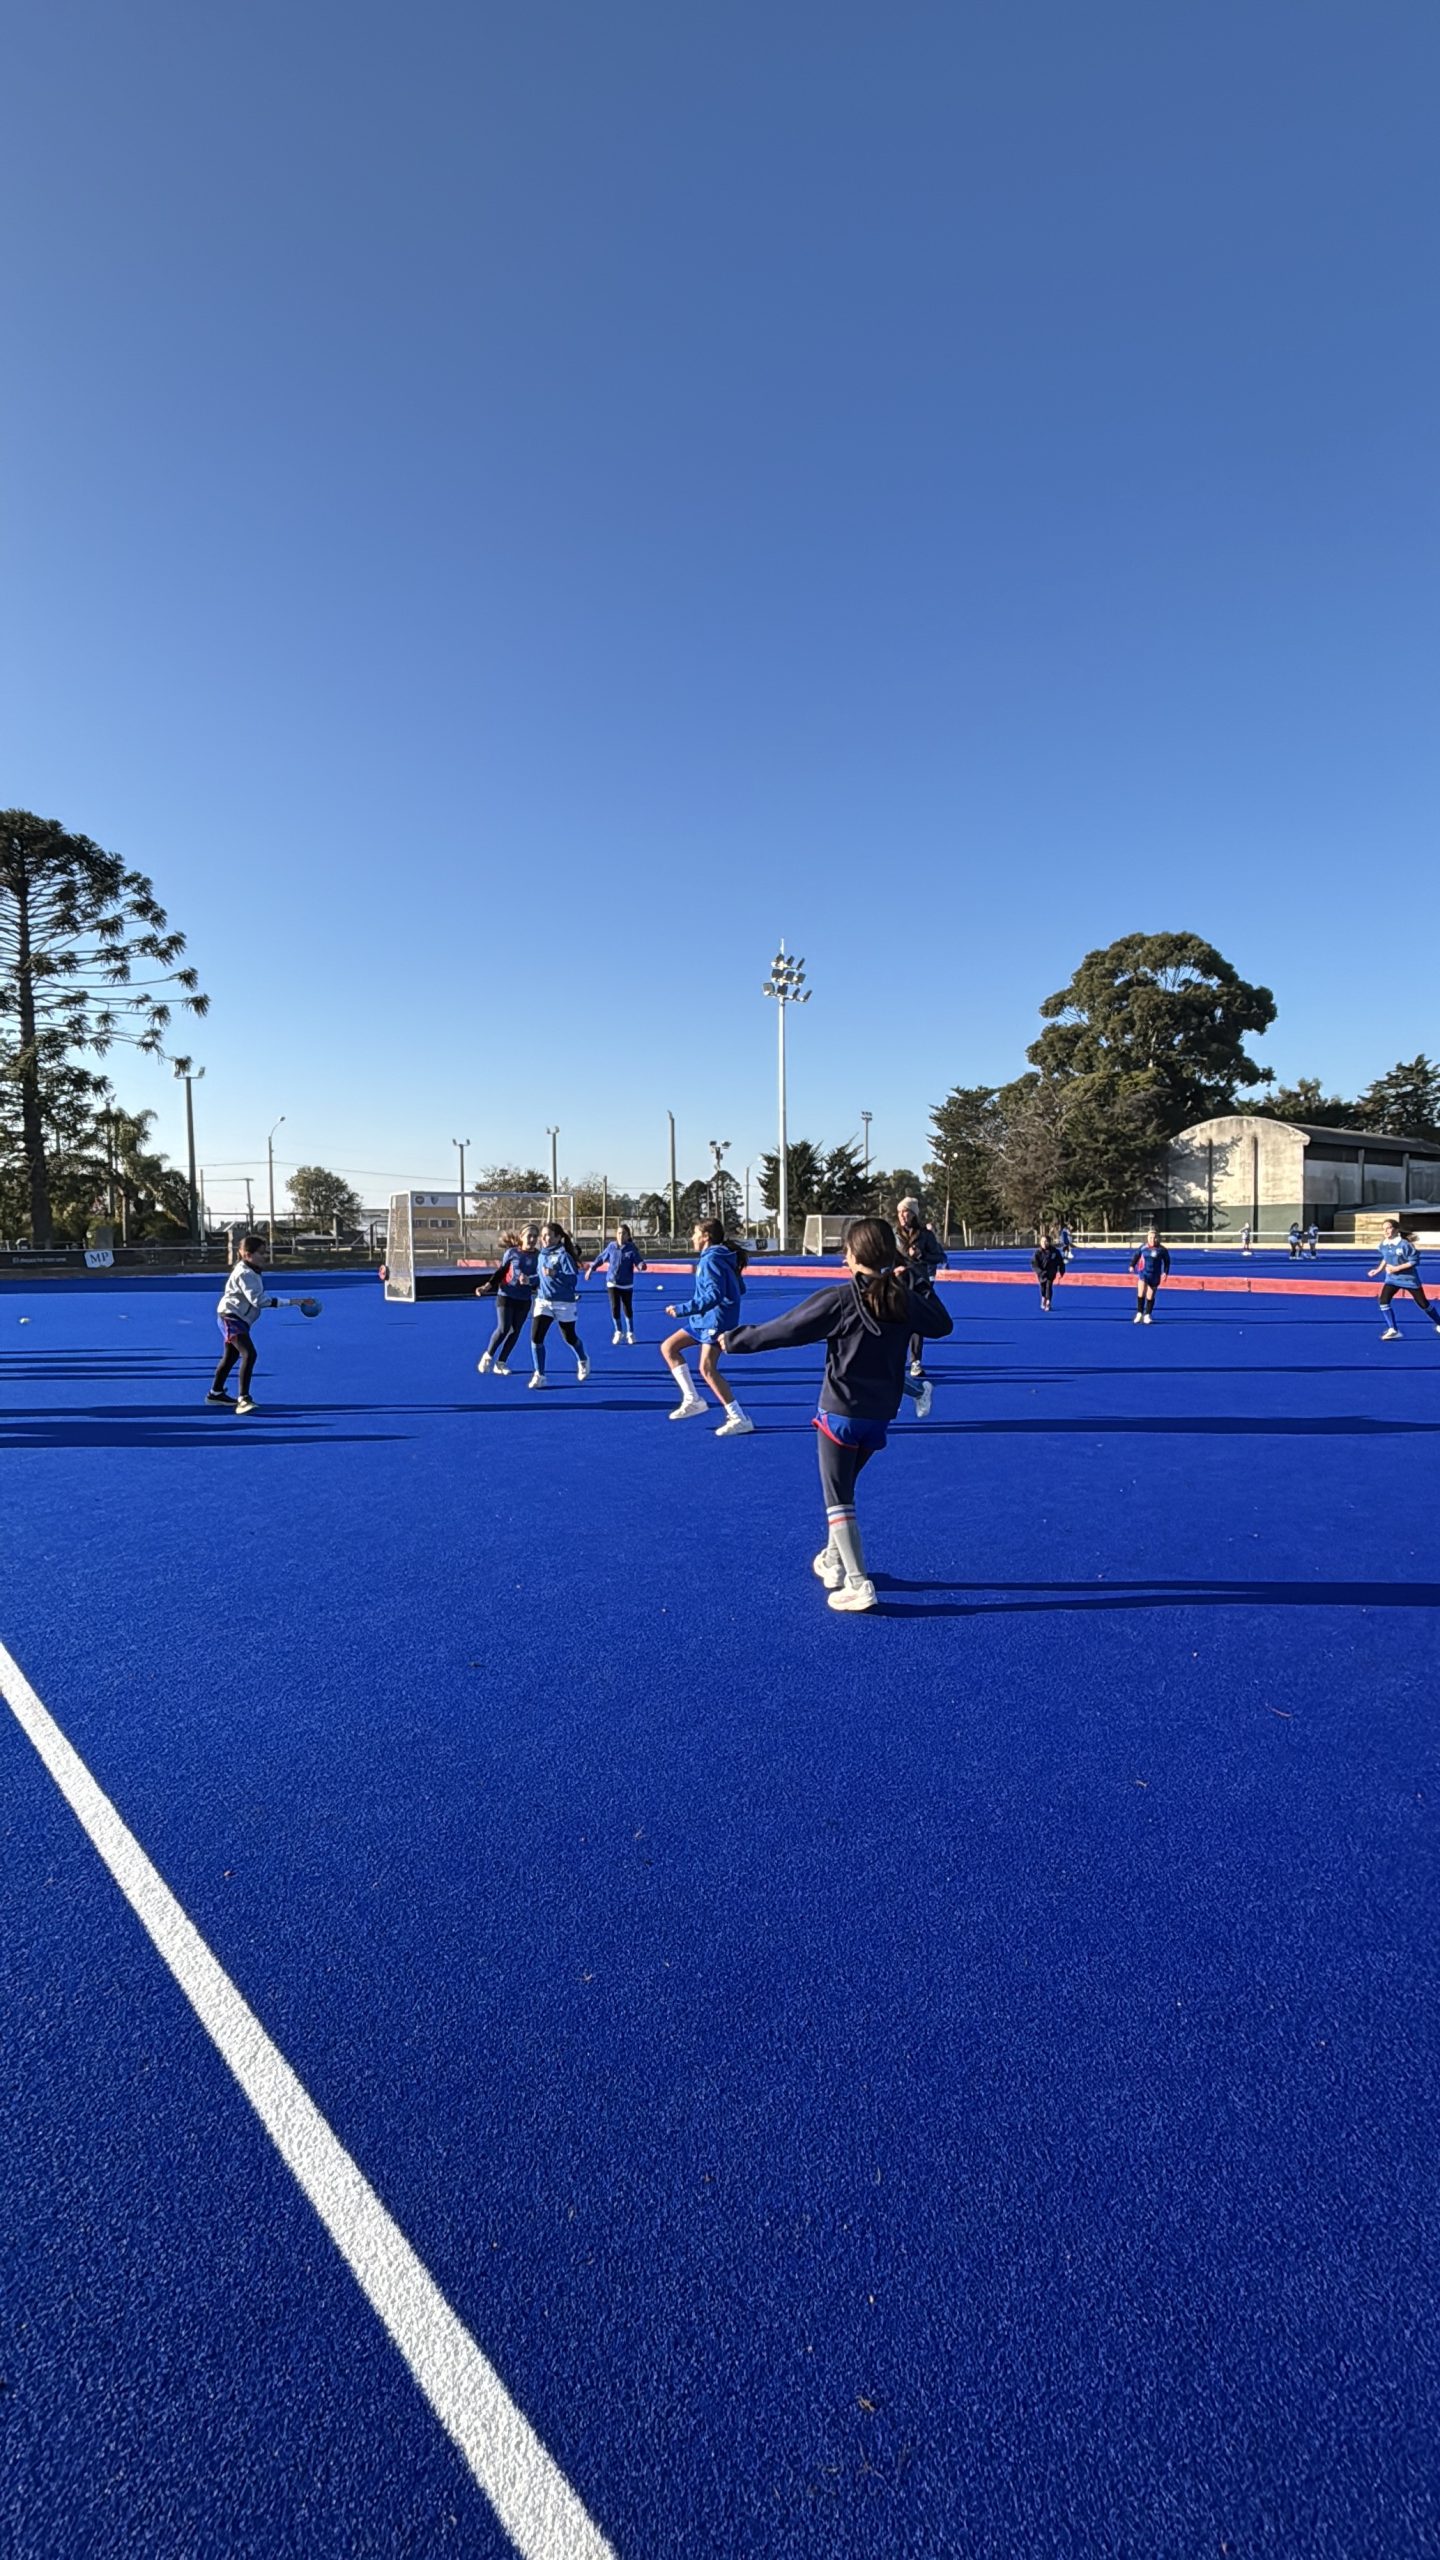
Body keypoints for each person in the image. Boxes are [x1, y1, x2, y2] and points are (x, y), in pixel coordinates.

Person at [720, 1217, 954, 1612]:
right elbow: (943, 1324)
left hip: (840, 1414)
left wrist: (734, 1341)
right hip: (880, 1417)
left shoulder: (842, 1299)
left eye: (846, 1250)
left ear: (855, 1255)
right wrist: (915, 1277)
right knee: (844, 1486)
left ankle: (859, 1583)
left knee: (838, 1499)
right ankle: (833, 1559)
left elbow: (786, 1329)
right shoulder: (903, 1299)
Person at [661, 1222, 752, 1434]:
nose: (692, 1237)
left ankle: (739, 1417)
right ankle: (692, 1399)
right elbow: (740, 1289)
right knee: (669, 1348)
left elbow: (714, 1295)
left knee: (707, 1368)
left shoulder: (711, 1259)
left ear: (706, 1236)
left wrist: (682, 1309)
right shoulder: (721, 1257)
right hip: (704, 1320)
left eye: (695, 1233)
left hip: (715, 1322)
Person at [207, 1233, 279, 1414]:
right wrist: (293, 1302)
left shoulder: (251, 1270)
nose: (264, 1256)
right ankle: (244, 1399)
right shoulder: (245, 1273)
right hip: (230, 1318)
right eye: (260, 1253)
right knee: (249, 1353)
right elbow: (258, 1301)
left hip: (238, 1318)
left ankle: (215, 1393)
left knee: (231, 1356)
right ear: (248, 1254)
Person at [529, 1222, 589, 1387]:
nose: (544, 1238)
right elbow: (541, 1277)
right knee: (536, 1337)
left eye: (548, 1235)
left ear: (558, 1237)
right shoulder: (541, 1255)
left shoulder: (564, 1256)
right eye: (543, 1235)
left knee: (569, 1337)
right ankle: (540, 1375)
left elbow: (572, 1280)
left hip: (564, 1303)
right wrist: (529, 1280)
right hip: (543, 1302)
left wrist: (556, 1273)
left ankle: (583, 1359)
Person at [895, 1197, 947, 1379]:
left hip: (919, 1284)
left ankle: (915, 1361)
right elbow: (886, 1258)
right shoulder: (893, 1235)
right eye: (900, 1212)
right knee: (895, 1322)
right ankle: (893, 1359)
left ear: (914, 1214)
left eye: (906, 1211)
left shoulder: (926, 1235)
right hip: (898, 1284)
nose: (902, 1215)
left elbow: (939, 1256)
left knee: (916, 1323)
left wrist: (921, 1255)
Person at [476, 1226, 539, 1373]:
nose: (532, 1239)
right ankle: (488, 1356)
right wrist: (487, 1286)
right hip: (506, 1295)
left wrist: (530, 1281)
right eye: (529, 1236)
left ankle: (501, 1363)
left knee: (515, 1331)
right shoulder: (512, 1253)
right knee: (504, 1328)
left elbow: (541, 1278)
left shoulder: (539, 1256)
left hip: (524, 1299)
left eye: (535, 1236)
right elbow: (501, 1271)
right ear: (521, 1237)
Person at [1367, 1219, 1440, 1341]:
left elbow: (1414, 1261)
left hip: (1409, 1280)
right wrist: (1378, 1270)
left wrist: (1396, 1268)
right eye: (1383, 1229)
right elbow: (1386, 1258)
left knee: (1423, 1304)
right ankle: (1393, 1330)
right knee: (1383, 1301)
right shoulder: (1383, 1244)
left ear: (1396, 1230)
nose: (1386, 1231)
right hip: (1392, 1280)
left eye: (1389, 1228)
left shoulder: (1405, 1245)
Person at [587, 1222, 648, 1345]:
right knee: (615, 1307)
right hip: (612, 1282)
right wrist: (591, 1269)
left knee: (627, 1308)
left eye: (624, 1233)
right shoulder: (611, 1246)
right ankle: (618, 1331)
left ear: (628, 1236)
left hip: (626, 1284)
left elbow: (638, 1260)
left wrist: (641, 1265)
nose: (621, 1236)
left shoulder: (631, 1248)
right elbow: (601, 1258)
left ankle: (630, 1333)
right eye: (619, 1233)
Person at [1129, 1226, 1170, 1324]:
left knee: (1150, 1296)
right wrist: (1132, 1265)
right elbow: (1136, 1255)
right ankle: (1139, 1313)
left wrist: (1165, 1272)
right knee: (1141, 1292)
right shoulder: (1143, 1247)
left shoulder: (1162, 1250)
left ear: (1158, 1238)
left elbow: (1167, 1261)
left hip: (1155, 1275)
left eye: (1154, 1237)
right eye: (1150, 1237)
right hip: (1144, 1273)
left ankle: (1147, 1314)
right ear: (1147, 1238)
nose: (1152, 1239)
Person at [1033, 1228, 1064, 1311]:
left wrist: (1062, 1270)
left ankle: (1048, 1302)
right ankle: (1043, 1297)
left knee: (1048, 1286)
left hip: (1051, 1272)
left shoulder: (1055, 1252)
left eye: (1046, 1241)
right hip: (1042, 1273)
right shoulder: (1038, 1253)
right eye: (1042, 1241)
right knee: (1043, 1286)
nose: (1044, 1243)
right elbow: (1034, 1264)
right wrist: (1039, 1271)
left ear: (1049, 1242)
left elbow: (1060, 1262)